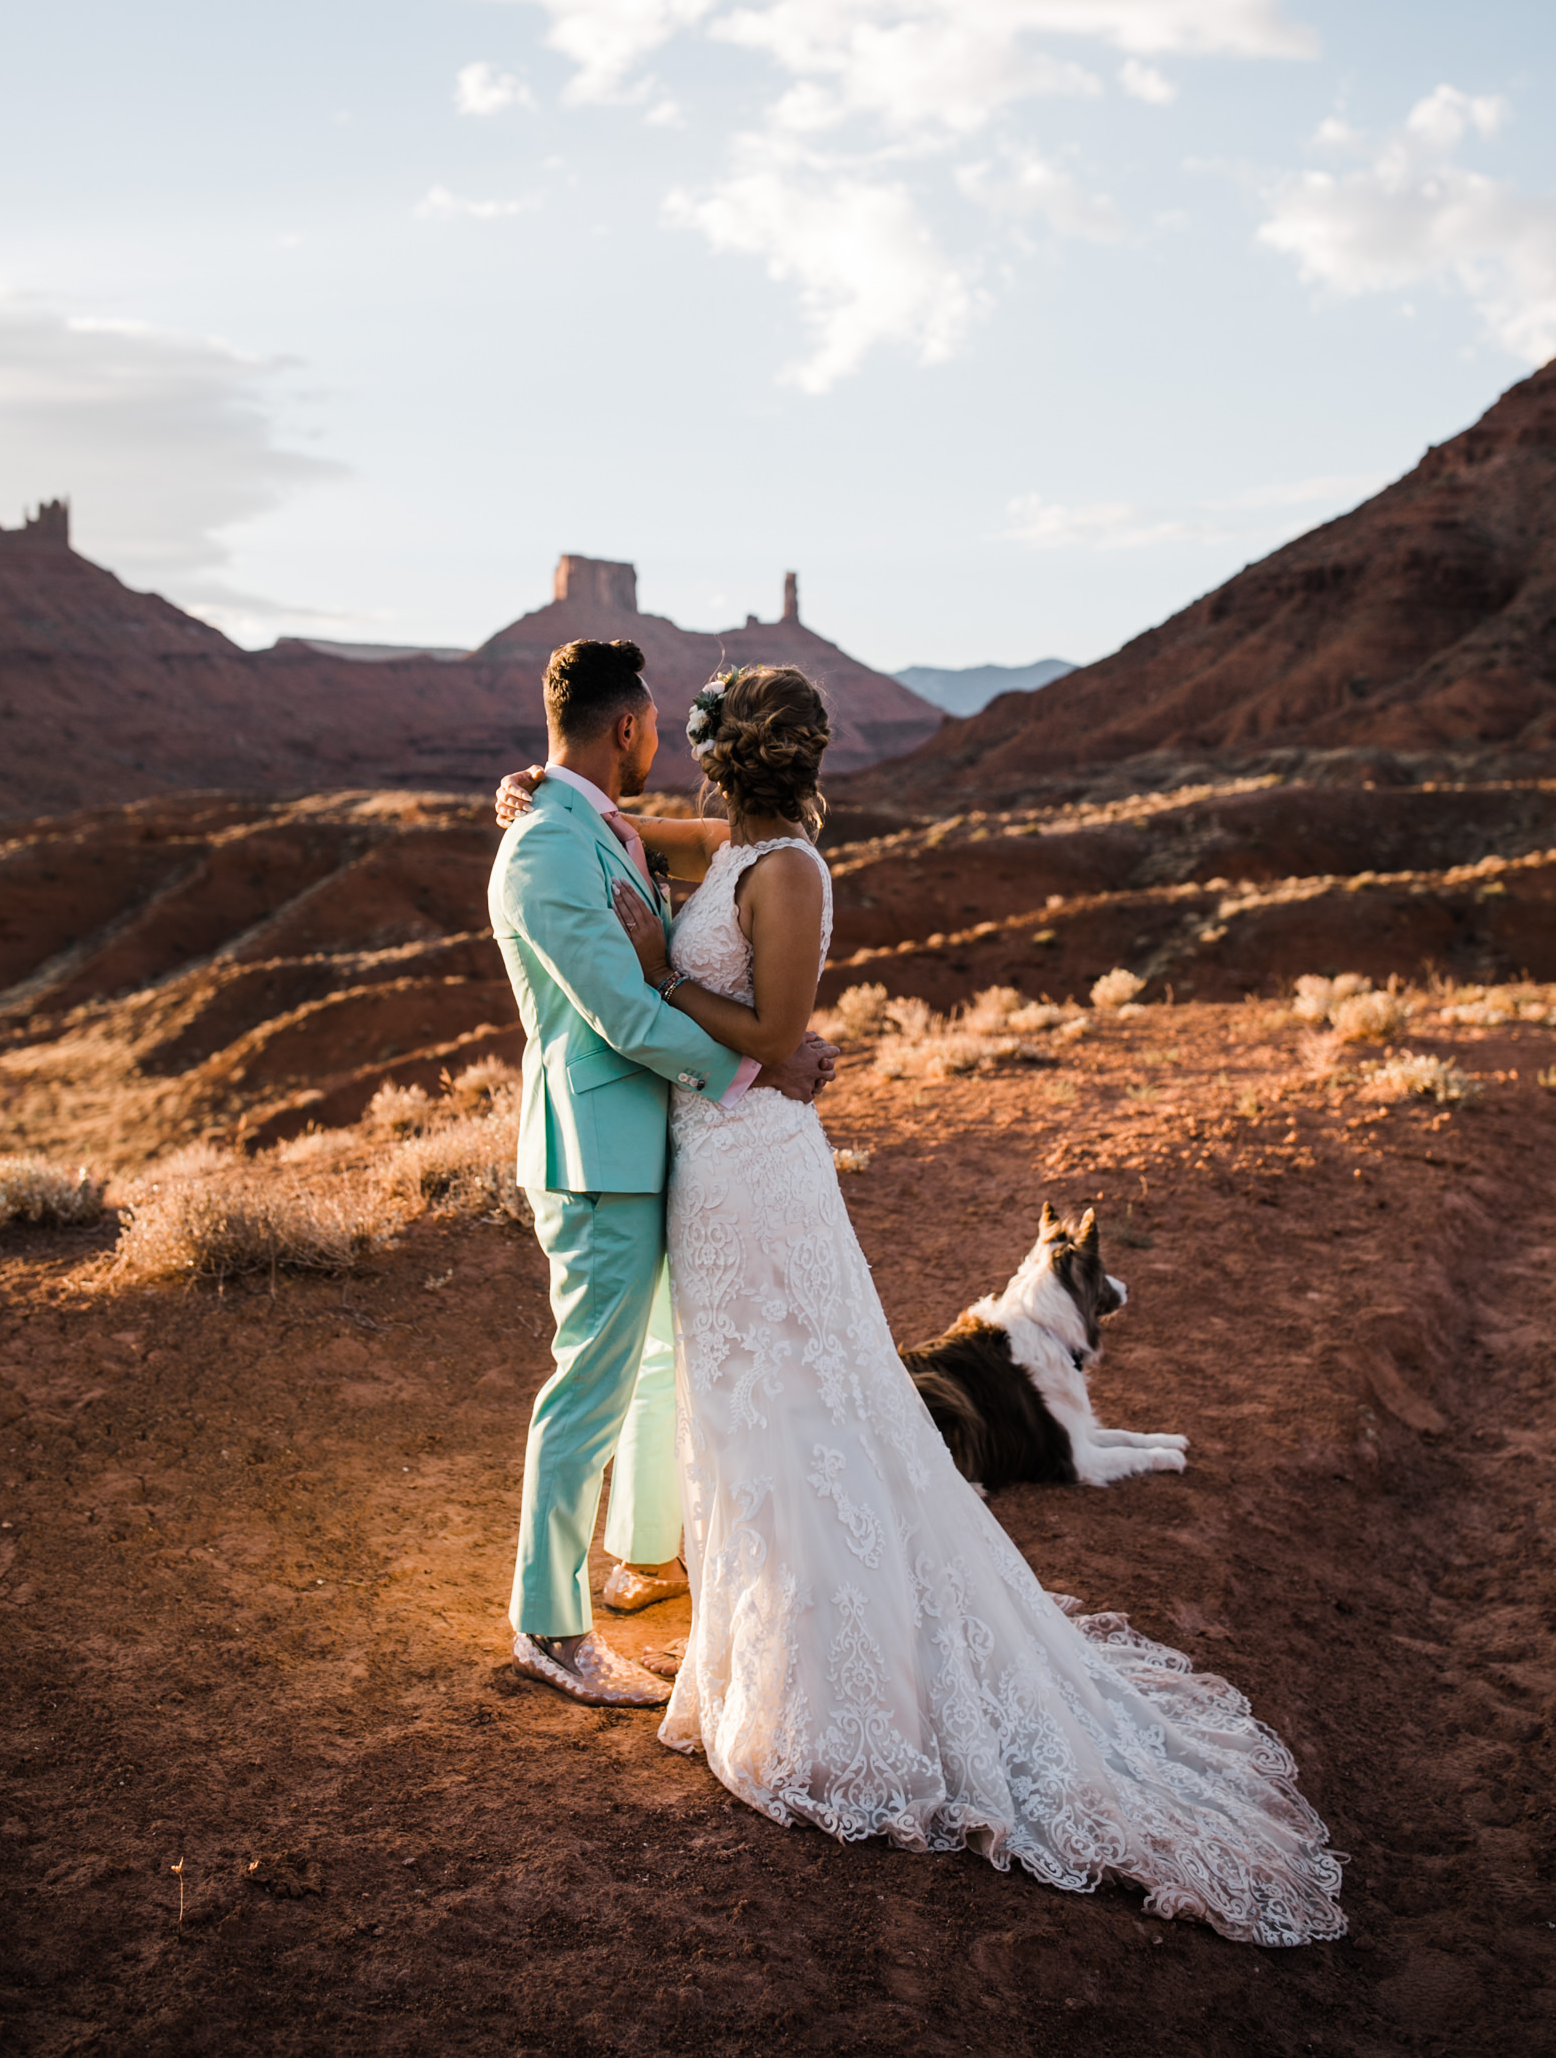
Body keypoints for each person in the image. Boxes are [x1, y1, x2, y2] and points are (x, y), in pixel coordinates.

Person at [495, 661, 1346, 1946]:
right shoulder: (724, 844)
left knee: (799, 1403)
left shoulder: (781, 870)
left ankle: (824, 1686)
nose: (679, 749)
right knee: (733, 1402)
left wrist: (694, 1003)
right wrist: (541, 792)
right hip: (705, 1163)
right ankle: (710, 1634)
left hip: (750, 1164)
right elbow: (633, 834)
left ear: (732, 757)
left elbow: (770, 1025)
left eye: (702, 740)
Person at [489, 639, 835, 1709]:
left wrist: (532, 782)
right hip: (595, 1154)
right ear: (628, 730)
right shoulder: (548, 849)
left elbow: (721, 849)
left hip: (652, 1146)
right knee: (585, 1387)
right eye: (648, 732)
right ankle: (548, 1622)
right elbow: (622, 1012)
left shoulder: (592, 825)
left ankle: (645, 1556)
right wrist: (758, 1061)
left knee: (641, 1370)